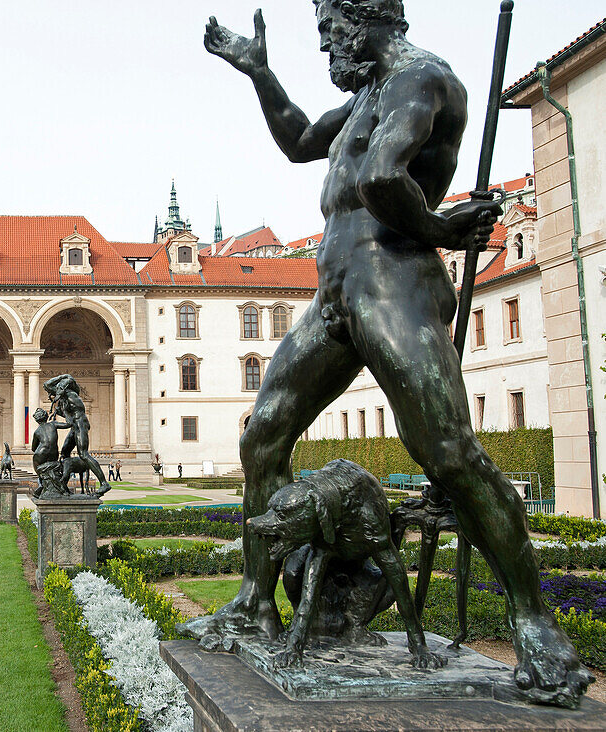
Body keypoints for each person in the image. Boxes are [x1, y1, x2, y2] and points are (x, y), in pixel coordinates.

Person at [184, 2, 592, 703]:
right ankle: (255, 600)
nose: (324, 47)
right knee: (263, 438)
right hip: (337, 291)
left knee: (449, 454)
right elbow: (300, 140)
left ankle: (534, 622)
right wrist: (260, 73)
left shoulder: (422, 80)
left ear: (363, 19)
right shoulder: (371, 94)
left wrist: (434, 225)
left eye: (328, 31)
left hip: (394, 281)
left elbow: (380, 179)